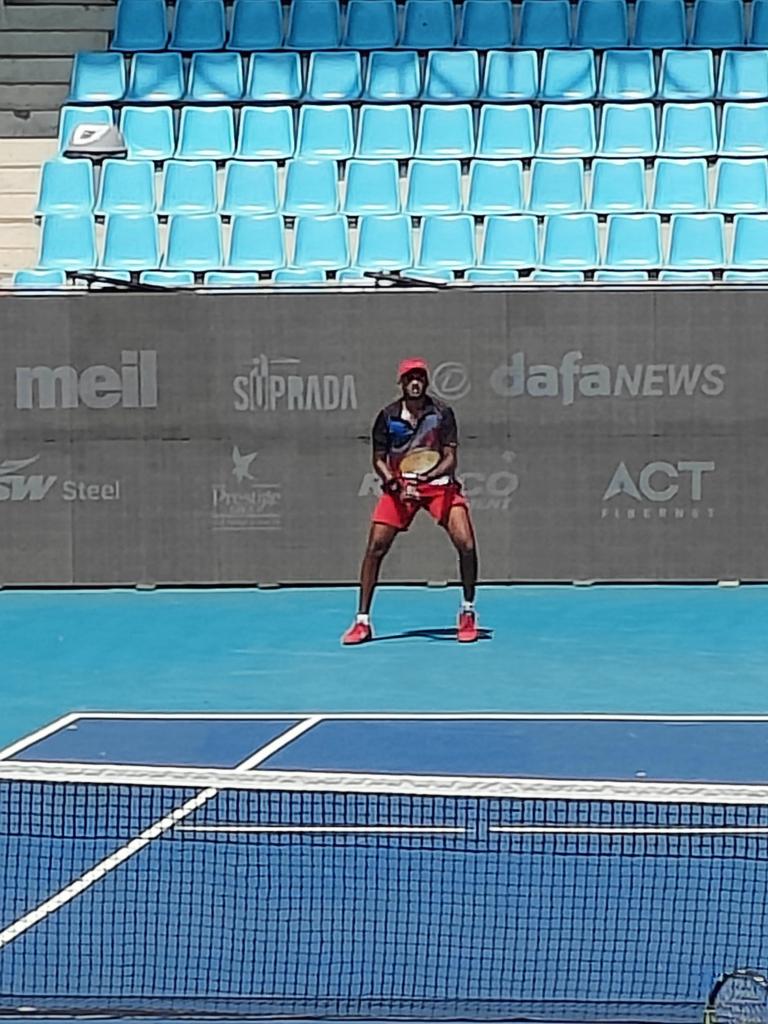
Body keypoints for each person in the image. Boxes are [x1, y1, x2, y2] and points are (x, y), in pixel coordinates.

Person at [342, 357, 479, 646]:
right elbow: (378, 459)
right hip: (400, 487)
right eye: (409, 378)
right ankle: (362, 621)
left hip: (439, 486)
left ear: (426, 382)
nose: (414, 382)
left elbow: (450, 458)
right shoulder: (387, 416)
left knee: (466, 543)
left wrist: (424, 479)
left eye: (419, 377)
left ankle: (467, 613)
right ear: (402, 383)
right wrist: (396, 483)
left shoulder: (442, 413)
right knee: (375, 547)